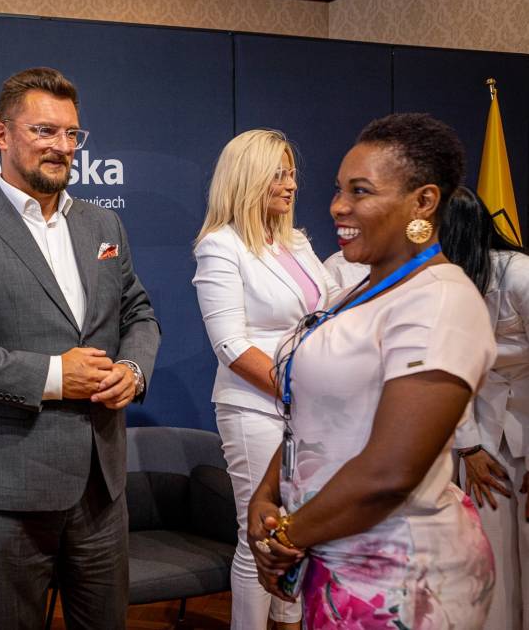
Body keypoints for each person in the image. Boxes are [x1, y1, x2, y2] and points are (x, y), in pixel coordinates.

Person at [0, 67, 160, 630]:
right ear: (1, 135)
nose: (62, 147)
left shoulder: (103, 223)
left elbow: (139, 314)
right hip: (9, 492)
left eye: (72, 133)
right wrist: (54, 375)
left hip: (102, 488)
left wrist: (132, 368)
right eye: (44, 131)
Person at [249, 113, 497, 628]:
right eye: (339, 189)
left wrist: (286, 536)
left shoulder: (440, 300)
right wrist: (267, 494)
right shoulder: (359, 291)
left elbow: (390, 471)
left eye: (360, 191)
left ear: (423, 202)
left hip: (402, 578)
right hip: (333, 559)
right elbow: (316, 415)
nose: (338, 205)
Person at [192, 128, 336, 629]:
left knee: (297, 529)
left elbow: (331, 306)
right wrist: (298, 393)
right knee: (259, 531)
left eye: (292, 173)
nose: (292, 184)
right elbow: (231, 346)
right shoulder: (220, 246)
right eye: (278, 174)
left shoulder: (296, 241)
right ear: (248, 178)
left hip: (307, 411)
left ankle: (289, 622)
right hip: (255, 407)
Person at [442, 186, 529, 630]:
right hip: (483, 427)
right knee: (488, 553)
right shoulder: (444, 288)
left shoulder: (520, 275)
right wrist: (470, 447)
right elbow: (449, 372)